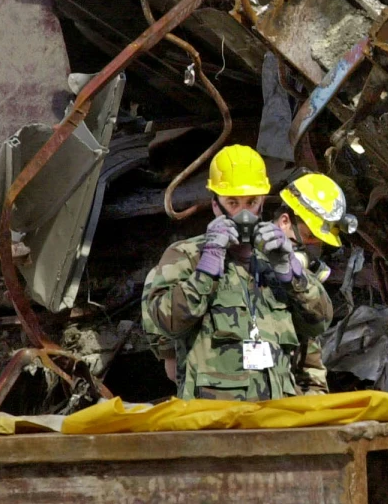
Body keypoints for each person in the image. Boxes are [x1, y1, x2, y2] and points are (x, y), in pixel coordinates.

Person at [141, 145, 333, 400]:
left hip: (276, 415)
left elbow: (320, 323)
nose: (243, 213)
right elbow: (167, 325)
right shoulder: (186, 256)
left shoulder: (276, 258)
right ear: (215, 205)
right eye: (233, 203)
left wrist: (291, 273)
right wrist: (207, 268)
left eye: (251, 202)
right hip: (215, 419)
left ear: (262, 202)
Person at [271, 172, 357, 395]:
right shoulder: (236, 265)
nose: (313, 247)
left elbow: (310, 369)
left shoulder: (300, 287)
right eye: (309, 236)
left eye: (318, 242)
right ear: (284, 222)